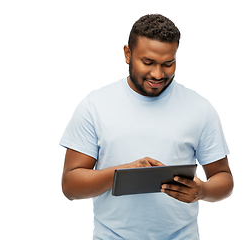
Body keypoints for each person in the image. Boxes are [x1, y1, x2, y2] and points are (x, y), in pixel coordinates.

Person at [60, 14, 233, 240]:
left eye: (168, 64)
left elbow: (223, 177)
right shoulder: (95, 106)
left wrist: (203, 191)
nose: (158, 74)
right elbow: (70, 186)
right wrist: (121, 174)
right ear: (127, 54)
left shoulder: (200, 108)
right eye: (148, 62)